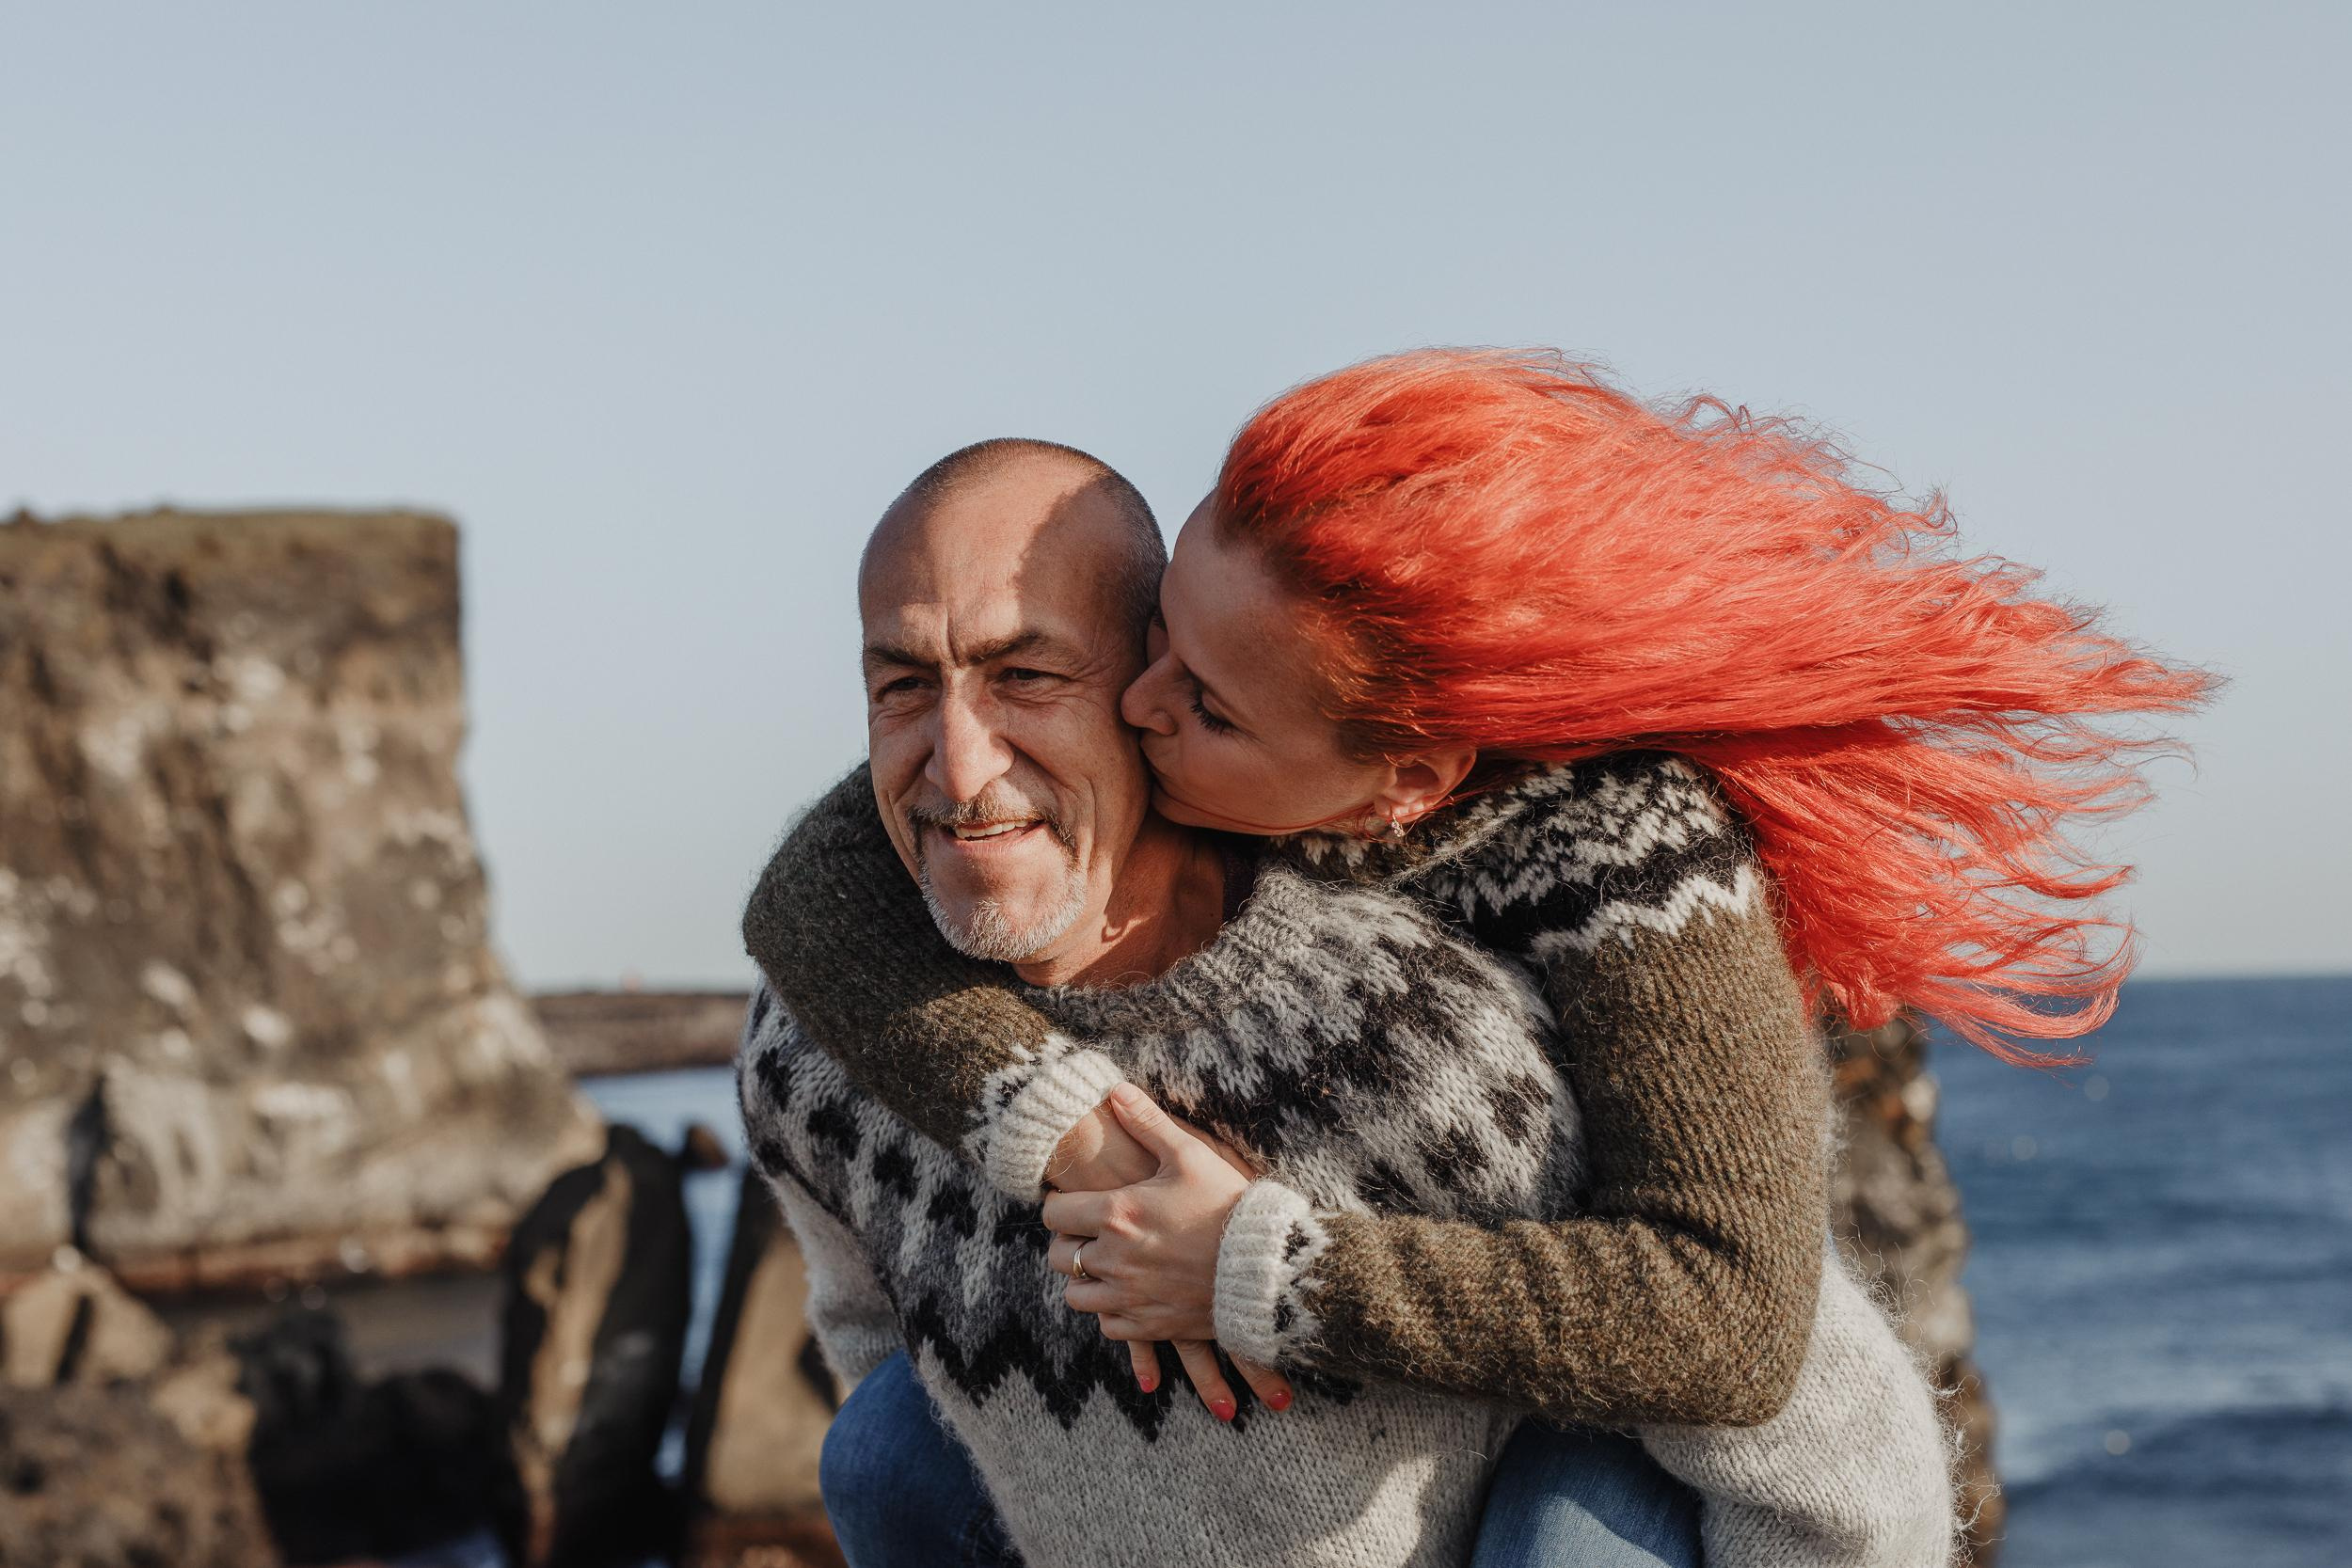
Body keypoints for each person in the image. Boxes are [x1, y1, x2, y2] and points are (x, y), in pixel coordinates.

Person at [740, 432, 1970, 1567]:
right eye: (902, 684)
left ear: (1142, 683)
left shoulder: (1428, 1026)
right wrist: (1053, 1116)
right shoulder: (817, 1040)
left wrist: (1263, 1271)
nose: (958, 761)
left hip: (1571, 1508)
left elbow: (1784, 1393)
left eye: (1028, 674)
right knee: (890, 1441)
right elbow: (873, 1332)